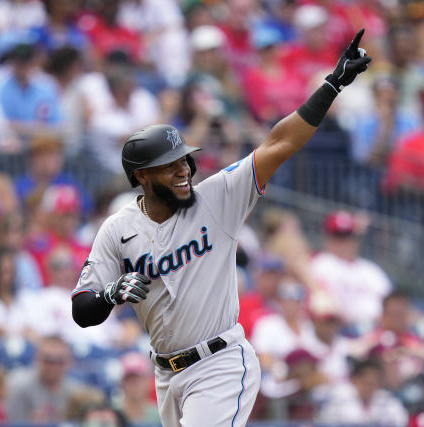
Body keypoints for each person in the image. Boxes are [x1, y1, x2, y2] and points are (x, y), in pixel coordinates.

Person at [71, 29, 371, 427]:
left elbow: (277, 144)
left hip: (220, 362)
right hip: (166, 374)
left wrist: (331, 86)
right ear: (141, 176)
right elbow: (82, 310)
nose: (184, 170)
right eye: (171, 165)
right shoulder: (118, 228)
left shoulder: (217, 197)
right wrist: (110, 294)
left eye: (185, 160)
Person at [309, 210, 391, 327]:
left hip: (379, 329)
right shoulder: (321, 264)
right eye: (338, 236)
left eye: (348, 236)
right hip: (341, 329)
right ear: (327, 238)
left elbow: (391, 302)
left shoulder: (370, 269)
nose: (344, 242)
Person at [5, 335, 82, 423]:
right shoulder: (18, 384)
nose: (53, 366)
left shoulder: (76, 391)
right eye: (48, 360)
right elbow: (9, 422)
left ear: (69, 362)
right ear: (37, 359)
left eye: (59, 360)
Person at [317, 358, 408, 426]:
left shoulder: (387, 400)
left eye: (373, 383)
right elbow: (326, 423)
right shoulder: (338, 398)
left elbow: (401, 421)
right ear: (355, 380)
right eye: (366, 382)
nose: (369, 387)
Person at [115, 351, 160, 425]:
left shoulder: (159, 414)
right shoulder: (113, 413)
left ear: (148, 381)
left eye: (140, 379)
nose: (135, 384)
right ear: (121, 383)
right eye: (129, 379)